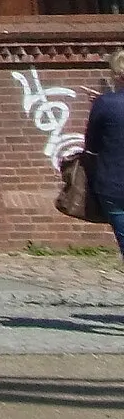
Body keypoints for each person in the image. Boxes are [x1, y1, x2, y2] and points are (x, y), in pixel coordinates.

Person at [84, 48, 124, 261]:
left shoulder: (106, 104)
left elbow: (91, 144)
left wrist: (101, 104)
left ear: (117, 75)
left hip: (115, 187)